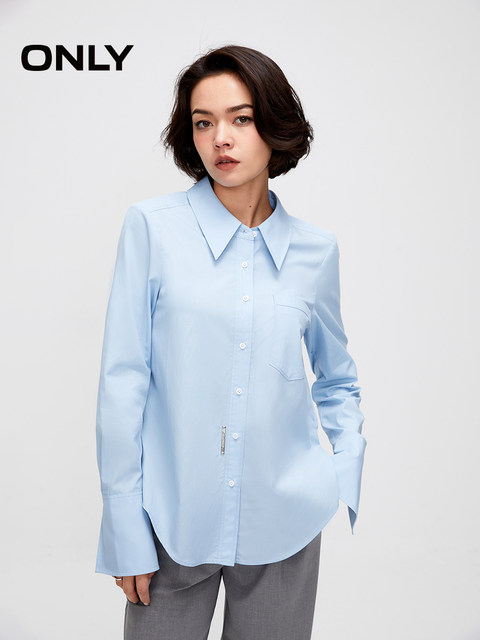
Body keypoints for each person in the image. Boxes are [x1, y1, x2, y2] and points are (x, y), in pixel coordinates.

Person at [94, 44, 367, 640]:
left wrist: (340, 474)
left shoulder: (315, 251)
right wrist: (123, 524)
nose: (221, 138)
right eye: (203, 122)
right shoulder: (152, 229)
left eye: (241, 118)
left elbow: (337, 378)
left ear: (274, 125)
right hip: (171, 525)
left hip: (285, 527)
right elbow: (123, 382)